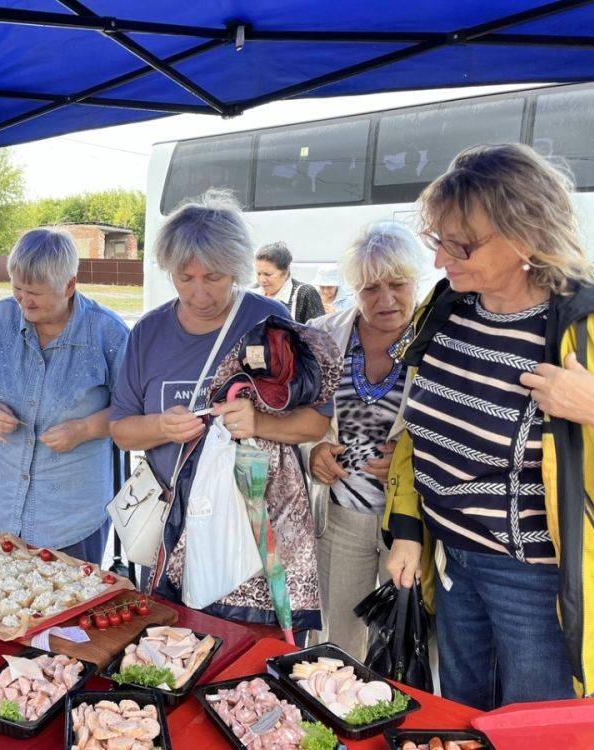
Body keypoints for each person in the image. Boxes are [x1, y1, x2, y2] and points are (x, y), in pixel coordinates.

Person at [384, 143, 594, 707]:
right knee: (462, 716)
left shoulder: (589, 322)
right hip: (453, 562)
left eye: (460, 244)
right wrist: (408, 527)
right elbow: (416, 430)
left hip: (540, 582)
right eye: (438, 241)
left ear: (526, 233)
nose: (440, 261)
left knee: (535, 731)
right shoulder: (447, 307)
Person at [110, 191, 331, 627]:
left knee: (252, 655)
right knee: (176, 644)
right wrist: (161, 426)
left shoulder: (268, 321)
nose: (199, 293)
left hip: (255, 531)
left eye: (212, 277)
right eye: (184, 277)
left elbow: (316, 421)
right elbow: (120, 431)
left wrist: (261, 422)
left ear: (236, 269)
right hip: (173, 531)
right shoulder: (149, 333)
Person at [0, 228, 128, 563]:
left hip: (70, 515)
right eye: (17, 288)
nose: (24, 301)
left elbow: (133, 411)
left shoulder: (108, 334)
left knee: (67, 610)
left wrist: (84, 430)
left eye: (36, 293)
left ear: (70, 285)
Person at [303, 222, 422, 659]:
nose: (386, 299)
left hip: (409, 520)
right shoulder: (323, 336)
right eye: (371, 287)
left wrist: (411, 464)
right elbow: (298, 418)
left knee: (404, 640)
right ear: (354, 288)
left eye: (397, 284)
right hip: (342, 515)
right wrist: (312, 453)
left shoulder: (435, 340)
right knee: (338, 638)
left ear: (415, 281)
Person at [255, 241, 324, 323]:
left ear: (286, 271)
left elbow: (319, 333)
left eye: (268, 274)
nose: (262, 280)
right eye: (258, 273)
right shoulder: (253, 292)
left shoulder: (304, 293)